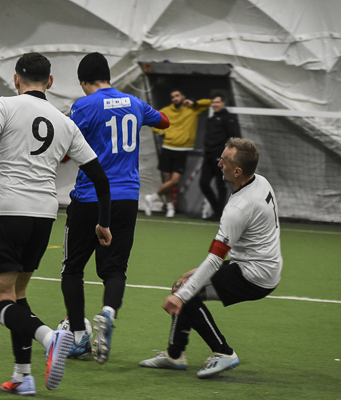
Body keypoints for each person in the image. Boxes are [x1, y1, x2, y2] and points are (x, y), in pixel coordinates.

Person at [0, 52, 112, 395]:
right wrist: (103, 222)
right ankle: (23, 375)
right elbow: (101, 179)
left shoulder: (4, 106)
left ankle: (50, 337)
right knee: (17, 294)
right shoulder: (65, 123)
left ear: (16, 79)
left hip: (8, 212)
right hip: (44, 216)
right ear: (50, 82)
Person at [139, 138, 282, 379]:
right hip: (260, 265)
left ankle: (223, 352)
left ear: (237, 171)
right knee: (184, 285)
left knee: (185, 291)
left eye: (224, 161)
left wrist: (181, 296)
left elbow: (216, 259)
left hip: (253, 275)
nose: (219, 164)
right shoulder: (260, 181)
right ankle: (175, 354)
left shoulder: (238, 208)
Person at [61, 52, 169, 364]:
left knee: (73, 268)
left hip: (90, 196)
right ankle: (108, 312)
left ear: (84, 81)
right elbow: (164, 121)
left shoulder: (84, 105)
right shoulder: (134, 102)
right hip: (126, 198)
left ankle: (79, 338)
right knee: (115, 269)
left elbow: (66, 150)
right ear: (107, 76)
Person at [144, 89, 210, 217]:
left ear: (183, 96)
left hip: (182, 150)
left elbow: (209, 103)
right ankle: (170, 207)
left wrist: (195, 102)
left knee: (174, 181)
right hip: (167, 148)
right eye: (173, 96)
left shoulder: (192, 109)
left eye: (177, 96)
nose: (175, 98)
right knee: (167, 180)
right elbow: (150, 119)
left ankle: (152, 197)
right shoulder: (167, 110)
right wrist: (161, 132)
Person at [199, 93, 240, 221]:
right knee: (203, 183)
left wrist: (228, 156)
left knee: (220, 185)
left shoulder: (229, 119)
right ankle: (218, 210)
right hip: (208, 156)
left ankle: (219, 214)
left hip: (221, 157)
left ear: (223, 103)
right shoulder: (210, 120)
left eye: (217, 102)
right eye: (213, 102)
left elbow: (235, 138)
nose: (215, 105)